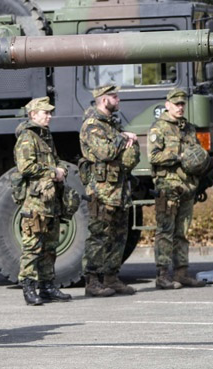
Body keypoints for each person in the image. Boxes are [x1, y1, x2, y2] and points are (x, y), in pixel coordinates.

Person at [79, 84, 140, 297]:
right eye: (114, 96)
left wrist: (123, 138)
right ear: (104, 100)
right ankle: (93, 280)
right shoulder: (92, 125)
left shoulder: (111, 125)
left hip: (119, 189)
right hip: (102, 191)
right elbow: (104, 152)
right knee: (99, 235)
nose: (118, 99)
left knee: (119, 234)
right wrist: (124, 138)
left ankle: (112, 277)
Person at [14, 96, 73, 305]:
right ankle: (29, 287)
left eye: (49, 113)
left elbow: (55, 161)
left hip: (50, 201)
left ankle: (48, 286)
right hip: (35, 202)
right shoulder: (28, 137)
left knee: (50, 245)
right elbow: (26, 167)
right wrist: (52, 171)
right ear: (33, 115)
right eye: (45, 113)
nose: (49, 116)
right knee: (33, 246)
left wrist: (61, 169)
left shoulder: (45, 136)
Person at [148, 88, 207, 289]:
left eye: (182, 104)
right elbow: (154, 156)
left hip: (187, 187)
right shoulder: (159, 128)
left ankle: (181, 273)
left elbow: (197, 152)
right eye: (176, 104)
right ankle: (163, 275)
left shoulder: (189, 128)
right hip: (168, 187)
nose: (180, 107)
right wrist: (179, 156)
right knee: (165, 231)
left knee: (182, 231)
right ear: (168, 105)